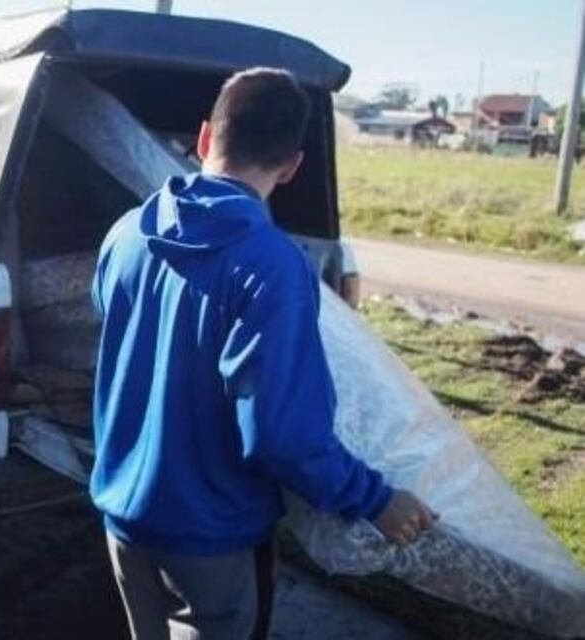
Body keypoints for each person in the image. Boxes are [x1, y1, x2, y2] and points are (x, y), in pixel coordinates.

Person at [90, 67, 437, 640]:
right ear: (293, 166)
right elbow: (281, 433)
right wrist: (375, 499)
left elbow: (118, 336)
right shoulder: (272, 264)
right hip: (210, 535)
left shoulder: (126, 233)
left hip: (123, 517)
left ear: (205, 137)